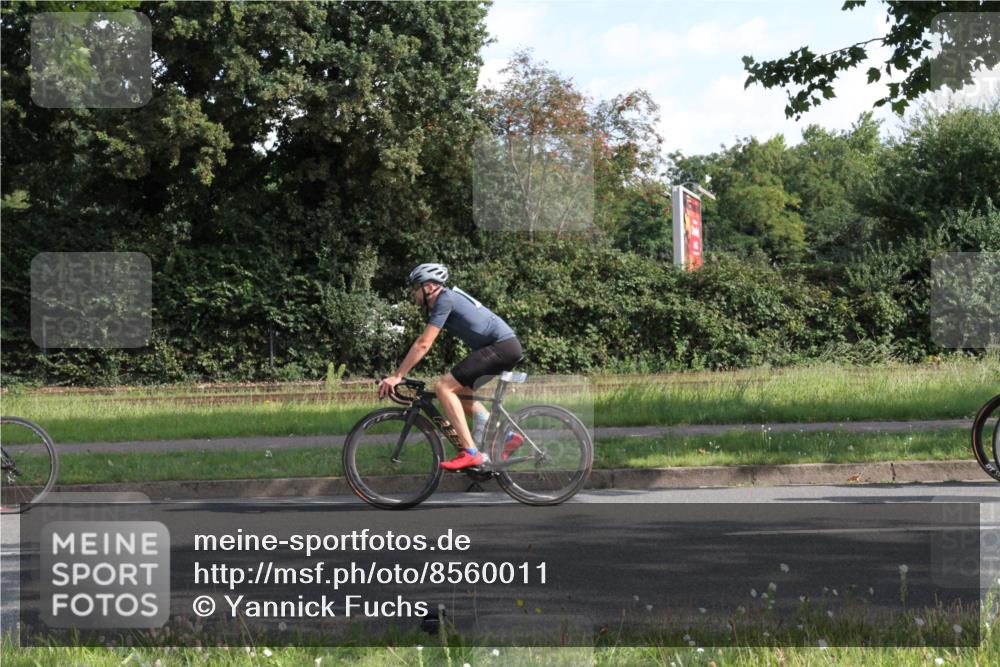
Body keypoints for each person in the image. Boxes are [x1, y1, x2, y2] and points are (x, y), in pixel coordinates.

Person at [377, 263, 524, 470]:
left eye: (415, 288)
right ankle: (505, 435)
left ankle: (471, 452)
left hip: (501, 346)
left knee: (443, 387)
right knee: (461, 392)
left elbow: (424, 344)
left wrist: (398, 375)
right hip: (505, 346)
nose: (413, 293)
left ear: (429, 287)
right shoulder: (447, 299)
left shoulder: (445, 300)